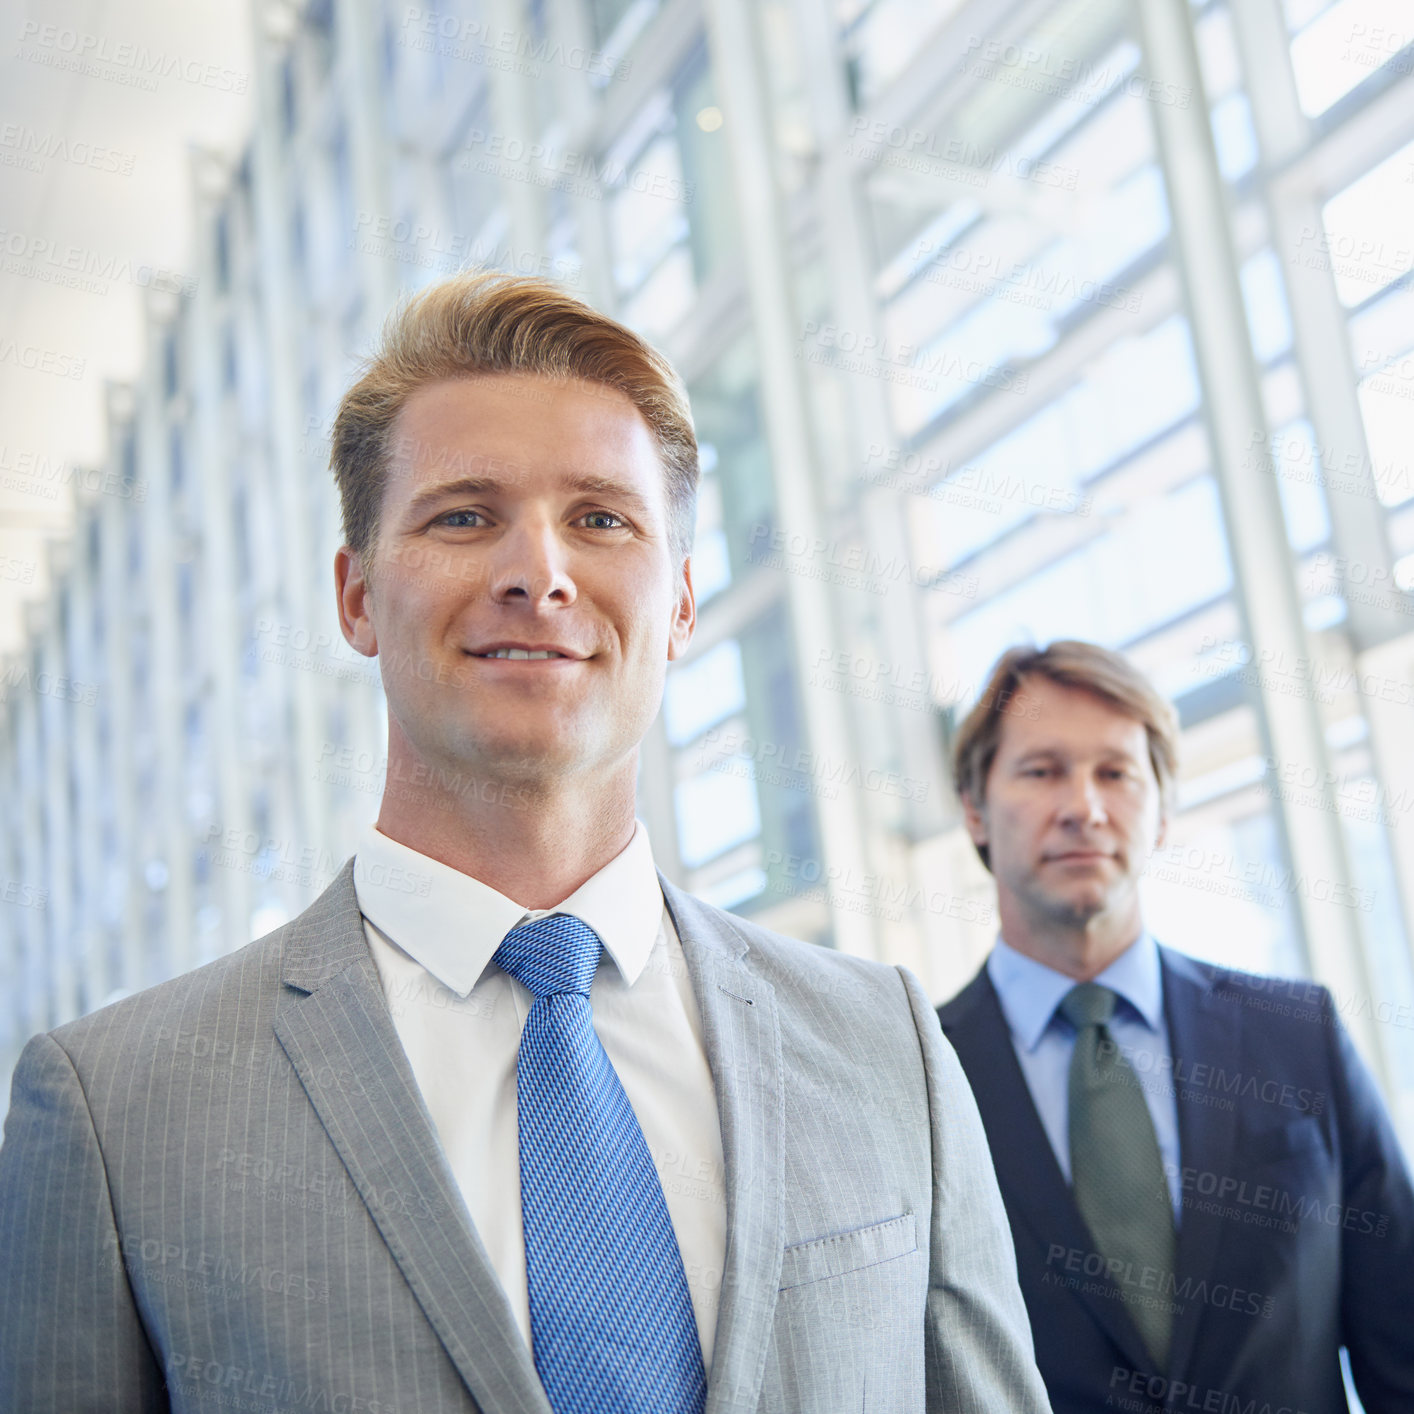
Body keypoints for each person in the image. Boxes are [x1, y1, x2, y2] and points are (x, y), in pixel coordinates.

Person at [0, 271, 1050, 1414]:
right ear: (355, 597)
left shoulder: (883, 1045)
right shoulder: (119, 1109)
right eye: (463, 515)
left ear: (683, 602)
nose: (537, 573)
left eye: (600, 519)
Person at [936, 639, 1414, 1414]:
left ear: (1161, 811)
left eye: (1116, 773)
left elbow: (1403, 1341)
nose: (1083, 806)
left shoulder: (1299, 1038)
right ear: (974, 808)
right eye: (1041, 769)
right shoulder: (919, 1076)